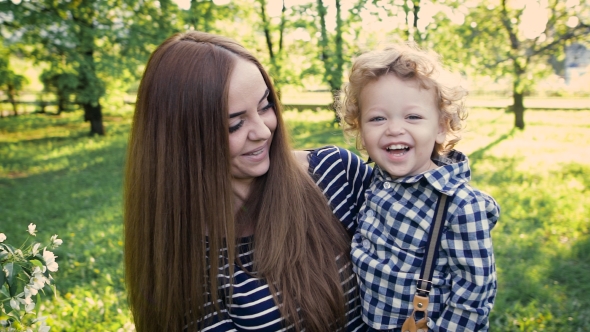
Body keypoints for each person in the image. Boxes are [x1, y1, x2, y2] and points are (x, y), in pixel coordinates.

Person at [124, 31, 372, 332]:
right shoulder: (180, 253)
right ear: (181, 140)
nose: (263, 131)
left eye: (265, 105)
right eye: (235, 124)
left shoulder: (336, 174)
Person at [338, 43, 500, 331]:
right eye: (377, 118)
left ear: (441, 126)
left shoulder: (461, 205)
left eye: (412, 116)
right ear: (360, 131)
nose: (394, 129)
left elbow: (474, 295)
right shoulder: (375, 180)